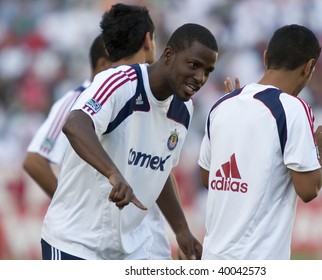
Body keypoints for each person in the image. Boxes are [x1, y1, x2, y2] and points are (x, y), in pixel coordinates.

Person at [40, 3, 219, 260]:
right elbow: (75, 123)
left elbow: (161, 169)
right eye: (193, 65)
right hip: (75, 241)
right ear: (167, 54)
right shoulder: (122, 81)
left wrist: (181, 230)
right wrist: (114, 173)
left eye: (208, 71)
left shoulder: (184, 109)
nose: (200, 77)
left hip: (127, 250)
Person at [25, 4, 176, 260]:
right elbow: (35, 160)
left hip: (143, 240)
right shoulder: (77, 99)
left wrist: (180, 230)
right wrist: (72, 203)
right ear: (148, 41)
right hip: (90, 239)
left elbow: (162, 167)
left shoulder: (158, 99)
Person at [198, 24, 322, 260]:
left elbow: (207, 179)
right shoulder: (293, 108)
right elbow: (309, 189)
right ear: (309, 67)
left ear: (266, 57)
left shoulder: (222, 104)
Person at [23, 34, 111, 198]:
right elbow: (35, 160)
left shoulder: (126, 101)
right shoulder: (75, 101)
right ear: (103, 65)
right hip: (90, 218)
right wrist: (67, 204)